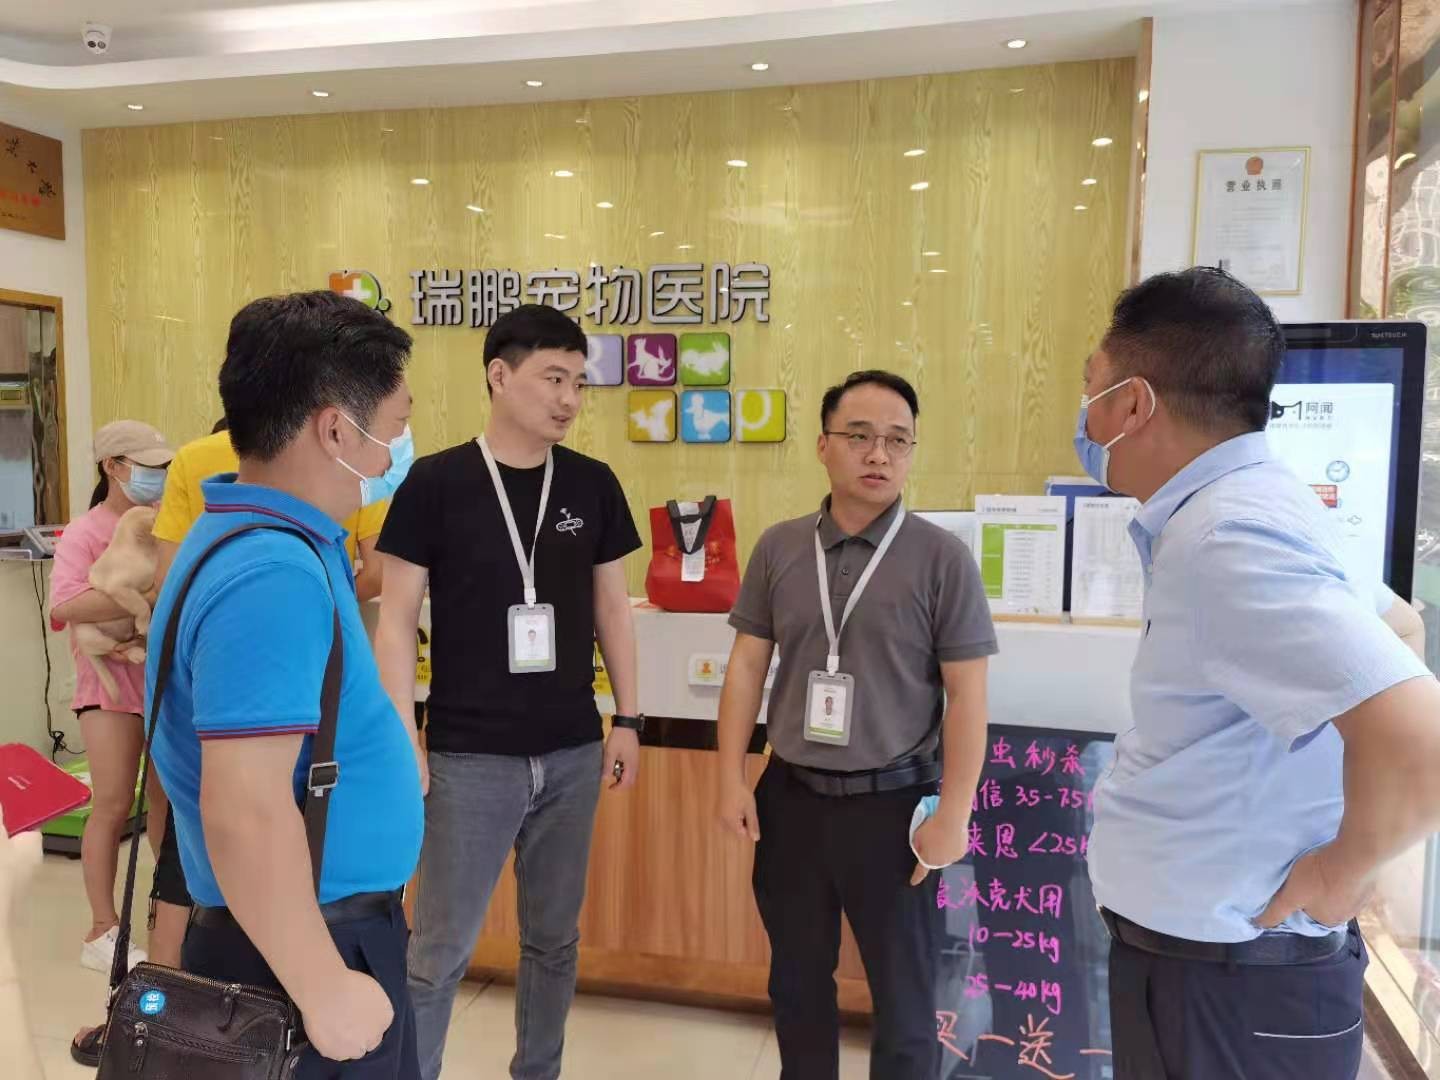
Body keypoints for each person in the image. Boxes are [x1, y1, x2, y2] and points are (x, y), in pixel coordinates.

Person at [1078, 267, 1440, 1078]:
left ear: (1133, 405)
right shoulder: (1255, 500)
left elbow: (1424, 744)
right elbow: (1401, 626)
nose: (1086, 415)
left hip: (1232, 991)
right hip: (1217, 973)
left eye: (1092, 387)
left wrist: (1340, 872)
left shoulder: (1227, 539)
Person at [147, 290, 425, 1075]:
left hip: (301, 934)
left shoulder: (260, 541)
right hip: (296, 955)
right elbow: (245, 807)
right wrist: (323, 987)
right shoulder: (270, 572)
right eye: (394, 427)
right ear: (335, 429)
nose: (392, 456)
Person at [376, 303, 642, 1080]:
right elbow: (395, 621)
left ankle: (539, 1071)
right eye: (553, 378)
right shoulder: (435, 483)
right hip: (468, 757)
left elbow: (613, 609)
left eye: (579, 383)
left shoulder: (592, 484)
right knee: (438, 950)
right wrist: (404, 734)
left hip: (571, 751)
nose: (569, 399)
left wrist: (629, 717)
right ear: (499, 374)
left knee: (554, 942)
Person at [715, 370, 997, 1079]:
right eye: (861, 436)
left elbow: (967, 696)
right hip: (792, 800)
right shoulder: (779, 548)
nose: (879, 454)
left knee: (905, 1003)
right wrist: (731, 778)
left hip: (895, 810)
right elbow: (746, 667)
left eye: (898, 441)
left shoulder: (942, 559)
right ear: (823, 445)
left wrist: (955, 814)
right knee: (797, 985)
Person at [48, 420, 175, 978]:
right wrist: (140, 596)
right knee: (114, 802)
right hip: (108, 688)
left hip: (164, 684)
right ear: (113, 467)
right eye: (147, 465)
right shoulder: (84, 532)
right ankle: (102, 929)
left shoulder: (166, 524)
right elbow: (65, 607)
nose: (158, 475)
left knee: (168, 804)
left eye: (163, 466)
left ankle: (169, 917)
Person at [154, 417, 392, 600]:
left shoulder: (190, 458)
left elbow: (168, 581)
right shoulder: (355, 460)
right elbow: (377, 575)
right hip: (315, 629)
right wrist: (329, 607)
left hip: (218, 629)